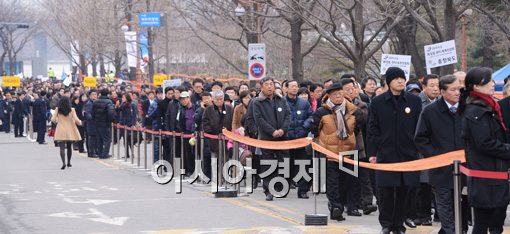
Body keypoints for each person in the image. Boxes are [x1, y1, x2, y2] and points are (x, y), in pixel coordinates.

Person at [367, 67, 422, 234]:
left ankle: (399, 224)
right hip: (386, 153)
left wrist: (418, 151)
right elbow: (372, 129)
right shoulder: (378, 102)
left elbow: (419, 128)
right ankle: (386, 223)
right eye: (396, 78)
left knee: (405, 190)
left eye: (402, 78)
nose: (400, 81)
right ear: (388, 81)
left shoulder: (414, 101)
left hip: (408, 154)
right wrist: (372, 153)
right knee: (386, 190)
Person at [414, 75, 467, 234]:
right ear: (442, 92)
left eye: (459, 89)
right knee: (444, 205)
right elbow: (420, 138)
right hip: (440, 169)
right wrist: (435, 156)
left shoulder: (467, 109)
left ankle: (460, 230)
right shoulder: (430, 112)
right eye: (453, 90)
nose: (457, 92)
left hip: (465, 168)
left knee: (463, 204)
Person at [461, 67, 510, 234]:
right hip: (485, 176)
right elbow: (485, 143)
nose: (492, 84)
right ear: (476, 86)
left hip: (495, 174)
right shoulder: (476, 110)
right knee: (482, 223)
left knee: (495, 222)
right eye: (488, 81)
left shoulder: (488, 106)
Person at [310, 82, 361, 221]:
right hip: (329, 153)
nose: (338, 96)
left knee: (348, 181)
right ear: (329, 96)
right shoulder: (322, 111)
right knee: (333, 182)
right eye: (334, 94)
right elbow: (314, 129)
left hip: (348, 152)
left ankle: (346, 205)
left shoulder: (354, 111)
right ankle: (335, 207)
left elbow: (357, 129)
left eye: (340, 93)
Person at [252, 77, 291, 201]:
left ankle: (281, 187)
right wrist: (272, 131)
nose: (270, 86)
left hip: (282, 137)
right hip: (267, 137)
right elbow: (259, 119)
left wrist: (282, 130)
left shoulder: (281, 99)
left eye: (271, 84)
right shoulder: (257, 102)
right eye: (267, 84)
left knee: (284, 162)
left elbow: (288, 115)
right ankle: (268, 190)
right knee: (268, 164)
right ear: (261, 86)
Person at [285, 80, 313, 199]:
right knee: (287, 164)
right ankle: (283, 187)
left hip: (302, 138)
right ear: (286, 88)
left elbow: (311, 116)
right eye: (292, 86)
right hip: (287, 139)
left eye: (296, 86)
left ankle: (302, 190)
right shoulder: (281, 102)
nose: (294, 88)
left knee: (304, 164)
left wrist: (304, 127)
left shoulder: (304, 103)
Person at [202, 90, 234, 179]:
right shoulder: (208, 109)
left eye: (221, 99)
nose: (219, 102)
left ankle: (224, 178)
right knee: (214, 160)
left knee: (225, 159)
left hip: (226, 138)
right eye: (217, 100)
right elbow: (205, 122)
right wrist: (211, 132)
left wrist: (229, 132)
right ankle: (216, 178)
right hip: (214, 139)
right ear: (213, 100)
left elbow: (233, 122)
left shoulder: (230, 108)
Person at [51, 96, 82, 170]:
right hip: (70, 129)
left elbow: (52, 119)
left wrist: (57, 122)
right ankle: (69, 162)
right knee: (69, 147)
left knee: (61, 148)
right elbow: (76, 120)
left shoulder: (58, 109)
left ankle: (63, 163)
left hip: (60, 129)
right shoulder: (72, 110)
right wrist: (80, 123)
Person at [92, 89, 115, 159]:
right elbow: (110, 113)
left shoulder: (95, 102)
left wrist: (94, 120)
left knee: (99, 140)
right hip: (105, 123)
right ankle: (105, 154)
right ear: (108, 94)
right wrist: (112, 120)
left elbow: (92, 113)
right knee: (107, 139)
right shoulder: (109, 102)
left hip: (97, 123)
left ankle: (100, 154)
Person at [84, 89, 98, 157]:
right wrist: (94, 119)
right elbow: (88, 114)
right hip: (91, 124)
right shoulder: (89, 103)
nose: (94, 96)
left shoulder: (95, 102)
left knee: (94, 139)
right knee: (91, 139)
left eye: (95, 94)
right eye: (93, 94)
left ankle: (94, 151)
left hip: (95, 124)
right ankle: (91, 152)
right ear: (89, 96)